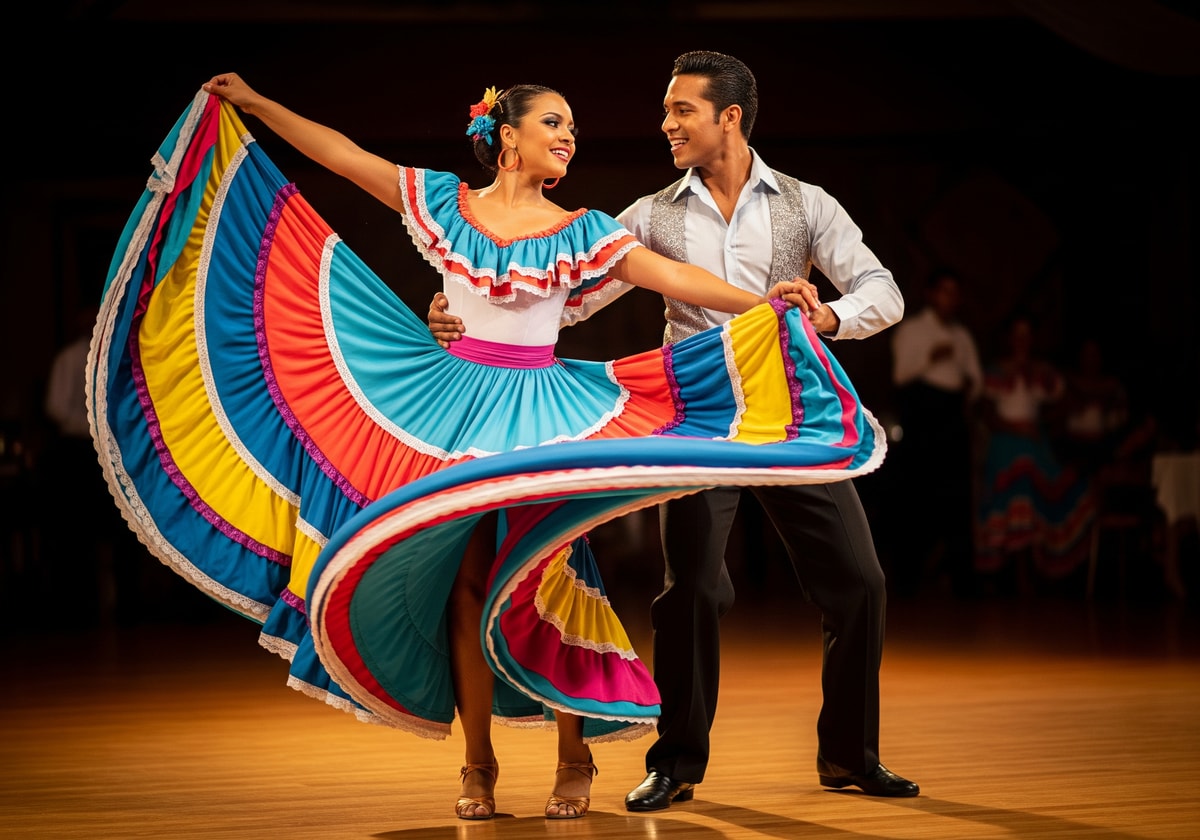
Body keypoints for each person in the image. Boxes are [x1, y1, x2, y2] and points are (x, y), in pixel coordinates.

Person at [89, 72, 885, 825]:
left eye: (573, 128)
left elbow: (673, 277)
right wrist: (259, 105)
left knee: (551, 568)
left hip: (539, 410)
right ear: (506, 137)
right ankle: (478, 763)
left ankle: (576, 755)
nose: (570, 138)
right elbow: (342, 155)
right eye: (553, 124)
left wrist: (767, 305)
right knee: (468, 583)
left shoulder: (585, 232)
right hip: (454, 404)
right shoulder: (444, 203)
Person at [429, 50, 918, 807]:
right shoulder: (649, 214)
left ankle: (850, 755)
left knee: (859, 581)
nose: (665, 125)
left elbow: (881, 291)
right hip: (693, 418)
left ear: (729, 117)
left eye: (680, 110)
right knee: (691, 589)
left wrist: (828, 315)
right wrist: (464, 315)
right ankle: (678, 763)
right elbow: (561, 292)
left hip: (789, 412)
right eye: (666, 111)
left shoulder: (803, 203)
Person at [976, 314, 1094, 588]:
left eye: (1027, 335)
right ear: (1009, 339)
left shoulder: (1042, 373)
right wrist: (1016, 429)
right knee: (1020, 477)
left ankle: (1038, 570)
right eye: (1017, 335)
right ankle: (1015, 574)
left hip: (1035, 442)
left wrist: (1042, 425)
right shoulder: (995, 372)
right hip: (1005, 444)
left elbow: (1065, 401)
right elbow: (987, 415)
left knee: (1049, 482)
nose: (1022, 341)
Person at [888, 268, 983, 597]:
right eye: (944, 291)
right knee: (916, 497)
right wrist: (930, 358)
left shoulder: (962, 336)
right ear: (931, 294)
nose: (950, 299)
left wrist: (969, 389)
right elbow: (900, 376)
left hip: (953, 419)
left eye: (954, 292)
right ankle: (908, 579)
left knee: (957, 498)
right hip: (923, 419)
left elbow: (976, 380)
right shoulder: (913, 331)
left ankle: (962, 580)